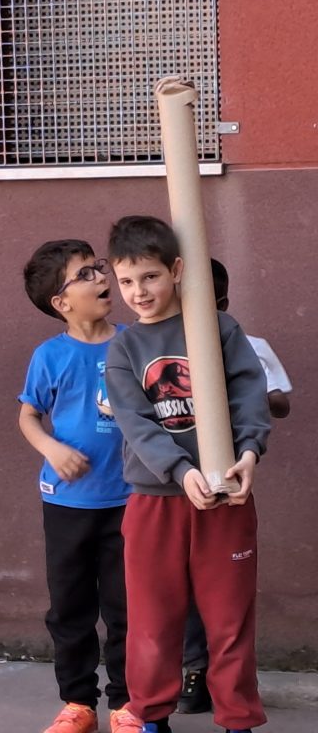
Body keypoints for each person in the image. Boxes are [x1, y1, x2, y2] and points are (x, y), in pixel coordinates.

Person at [104, 216, 270, 733]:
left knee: (229, 618)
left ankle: (237, 720)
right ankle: (152, 717)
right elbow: (135, 422)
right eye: (126, 281)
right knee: (152, 619)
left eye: (150, 277)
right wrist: (179, 470)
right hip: (155, 500)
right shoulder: (123, 349)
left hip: (225, 496)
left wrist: (249, 453)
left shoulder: (220, 328)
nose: (138, 292)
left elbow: (249, 394)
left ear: (176, 270)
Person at [18, 241, 137, 733]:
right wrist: (51, 448)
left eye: (98, 268)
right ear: (61, 302)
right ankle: (78, 703)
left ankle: (127, 704)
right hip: (67, 503)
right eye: (84, 274)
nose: (101, 277)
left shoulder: (133, 342)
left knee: (127, 606)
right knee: (70, 606)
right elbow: (28, 415)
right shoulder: (50, 356)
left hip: (130, 498)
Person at [177, 258, 292, 715]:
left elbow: (280, 404)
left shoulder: (248, 344)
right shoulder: (165, 346)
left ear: (223, 303)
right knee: (186, 581)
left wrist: (242, 388)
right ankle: (194, 668)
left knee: (228, 583)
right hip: (179, 480)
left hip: (230, 480)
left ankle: (236, 678)